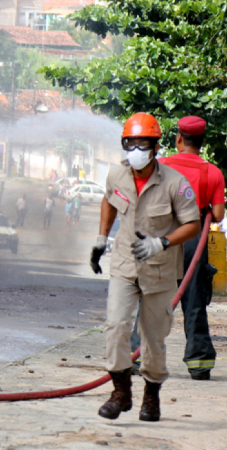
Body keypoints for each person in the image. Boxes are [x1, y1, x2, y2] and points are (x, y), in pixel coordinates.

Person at [90, 112, 200, 422]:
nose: (136, 149)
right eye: (131, 143)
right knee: (115, 327)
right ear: (124, 144)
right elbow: (108, 202)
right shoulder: (116, 176)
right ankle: (120, 392)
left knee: (153, 339)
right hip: (124, 265)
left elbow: (192, 224)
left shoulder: (176, 184)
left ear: (155, 146)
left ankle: (151, 397)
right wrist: (100, 239)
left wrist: (162, 242)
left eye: (143, 143)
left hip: (160, 271)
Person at [152, 116, 225, 381]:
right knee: (194, 301)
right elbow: (217, 214)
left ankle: (138, 354)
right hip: (195, 240)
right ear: (203, 141)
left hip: (163, 237)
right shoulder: (212, 172)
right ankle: (199, 361)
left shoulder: (161, 166)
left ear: (178, 139)